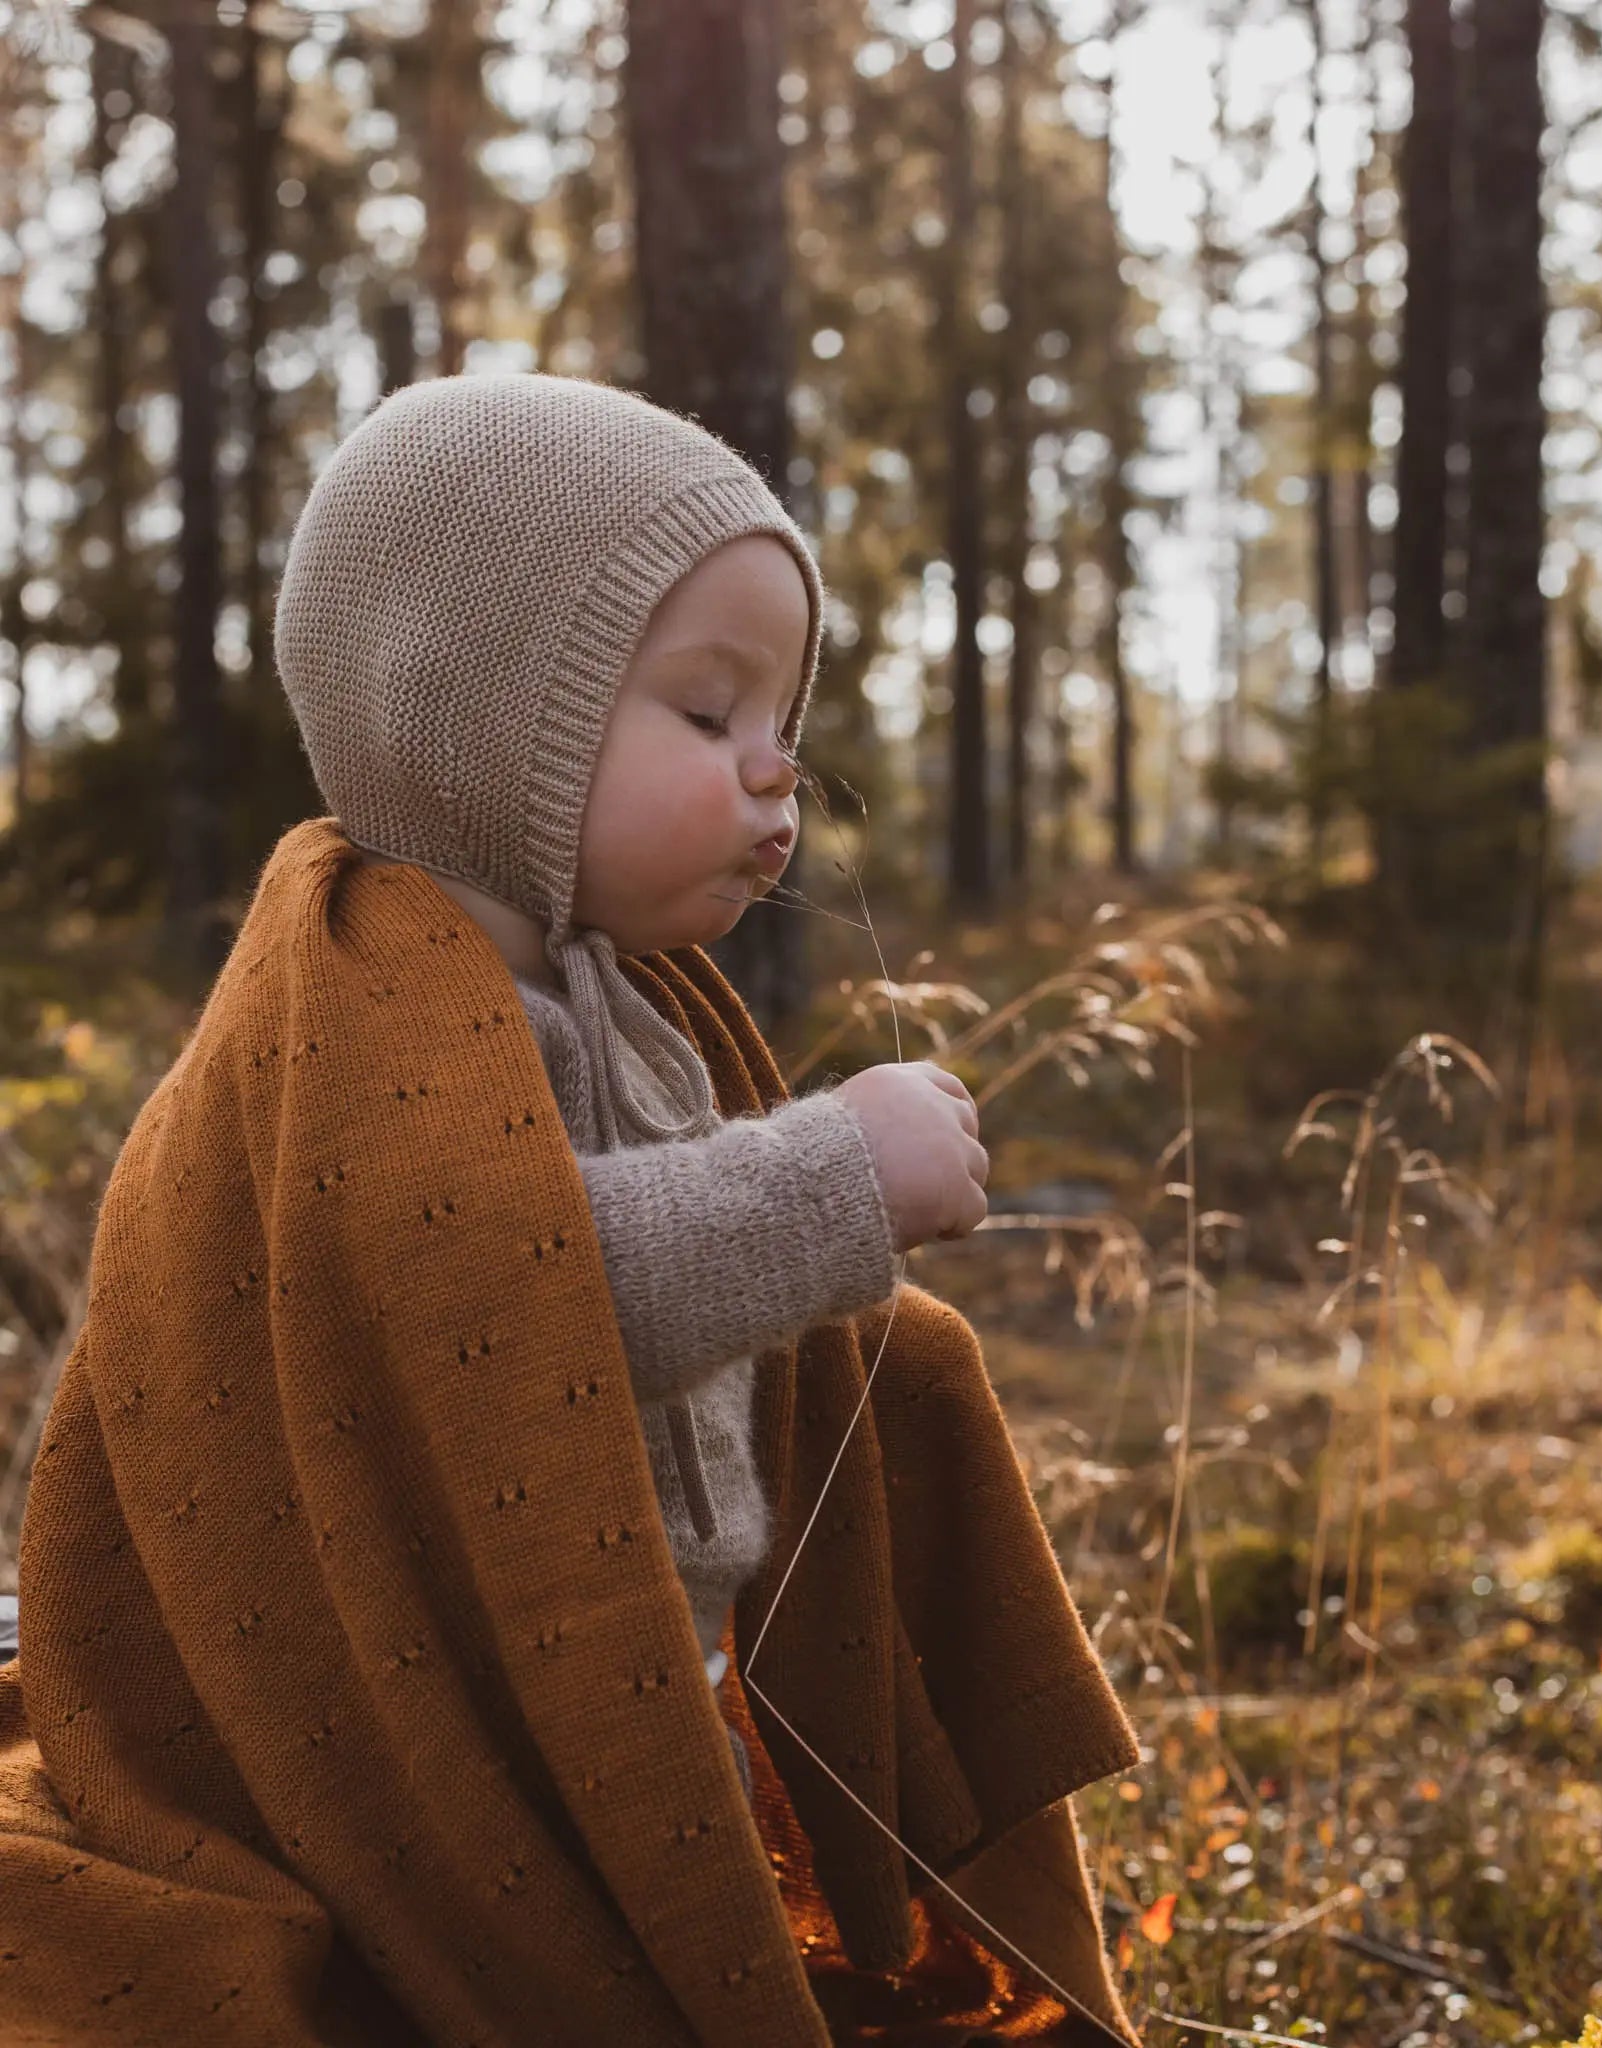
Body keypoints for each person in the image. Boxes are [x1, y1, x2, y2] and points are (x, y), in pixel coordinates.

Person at [0, 374, 1138, 2046]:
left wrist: (876, 1357)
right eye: (704, 714)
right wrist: (835, 1178)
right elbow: (491, 1301)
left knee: (908, 1364)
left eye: (784, 727)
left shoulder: (617, 997)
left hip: (603, 1666)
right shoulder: (364, 999)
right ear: (469, 712)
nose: (777, 776)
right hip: (395, 1712)